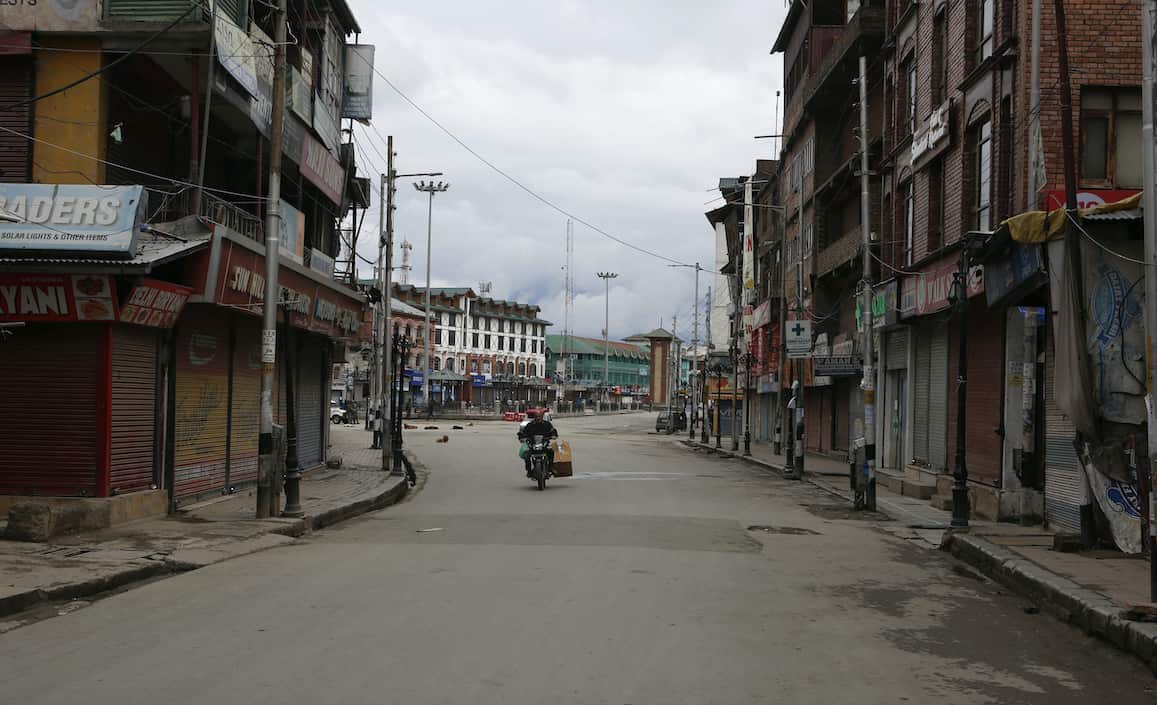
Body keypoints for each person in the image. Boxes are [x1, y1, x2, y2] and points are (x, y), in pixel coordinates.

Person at [517, 409, 558, 477]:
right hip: (533, 444)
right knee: (527, 454)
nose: (538, 418)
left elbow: (553, 431)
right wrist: (522, 437)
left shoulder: (547, 424)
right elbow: (523, 432)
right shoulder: (530, 425)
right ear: (534, 417)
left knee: (551, 451)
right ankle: (529, 470)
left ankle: (551, 467)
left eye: (539, 416)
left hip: (544, 444)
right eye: (536, 416)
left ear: (542, 417)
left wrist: (553, 435)